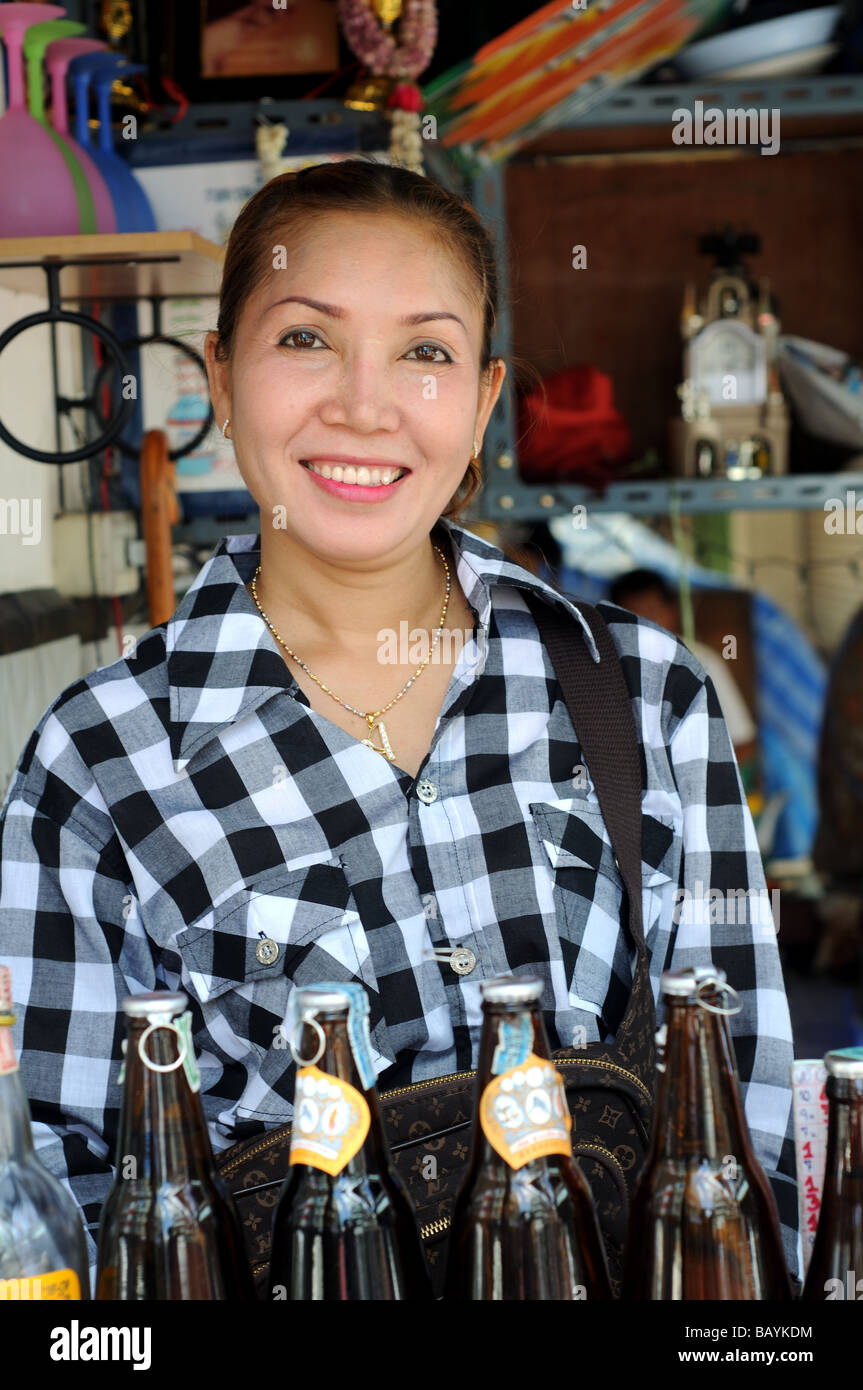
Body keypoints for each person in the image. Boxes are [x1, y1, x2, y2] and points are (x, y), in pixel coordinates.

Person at [0, 159, 800, 1290]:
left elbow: (741, 1134)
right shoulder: (101, 763)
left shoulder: (639, 696)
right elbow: (57, 1208)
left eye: (423, 351)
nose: (362, 405)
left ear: (480, 401)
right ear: (220, 378)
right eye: (304, 340)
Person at [609, 568, 758, 773]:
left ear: (673, 612)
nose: (645, 627)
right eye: (633, 618)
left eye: (652, 614)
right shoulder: (606, 667)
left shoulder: (702, 662)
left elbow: (743, 742)